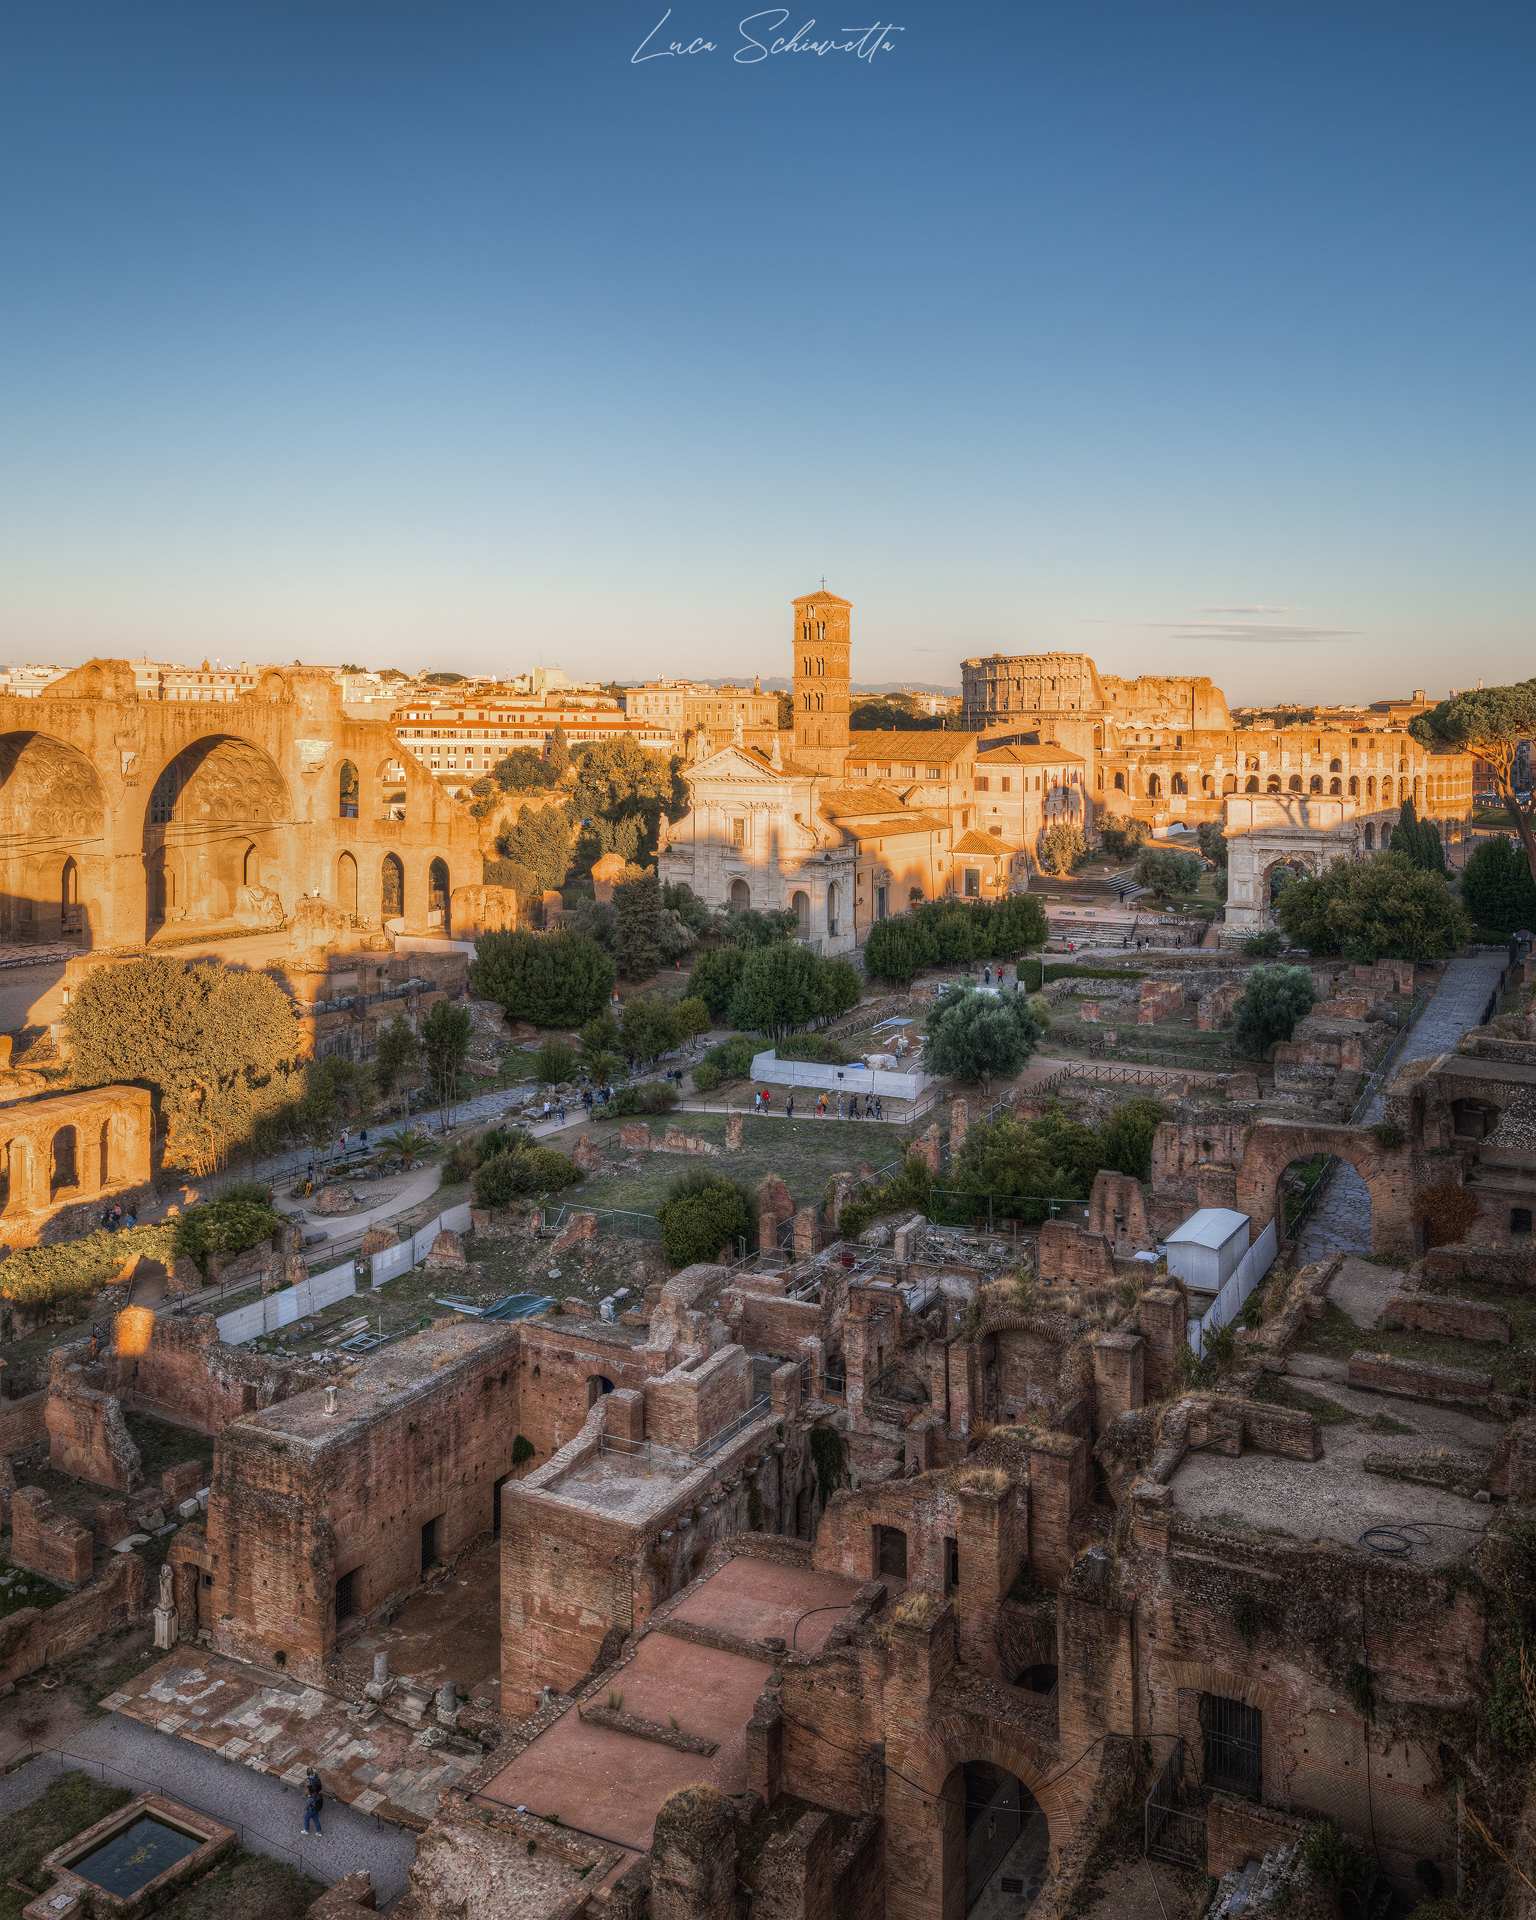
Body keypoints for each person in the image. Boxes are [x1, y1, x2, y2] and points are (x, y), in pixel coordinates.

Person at [303, 1772, 324, 1838]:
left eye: (306, 1789)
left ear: (309, 1791)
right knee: (316, 1820)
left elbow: (307, 1806)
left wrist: (306, 1810)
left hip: (311, 1810)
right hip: (316, 1809)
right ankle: (319, 1832)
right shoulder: (314, 1793)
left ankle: (306, 1830)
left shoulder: (310, 1799)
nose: (305, 1790)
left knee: (306, 1819)